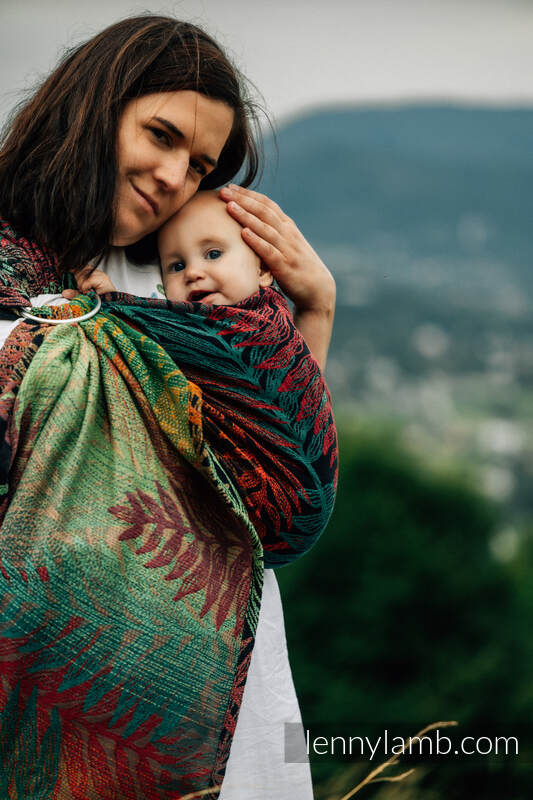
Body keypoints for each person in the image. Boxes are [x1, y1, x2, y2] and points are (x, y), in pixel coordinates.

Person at [0, 15, 336, 799]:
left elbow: (274, 493)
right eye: (160, 135)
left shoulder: (167, 282)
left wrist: (314, 311)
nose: (174, 177)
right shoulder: (58, 303)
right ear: (91, 104)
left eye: (200, 166)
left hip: (230, 706)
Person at [67, 190, 275, 305]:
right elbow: (142, 334)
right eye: (177, 266)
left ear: (263, 270)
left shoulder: (278, 329)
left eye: (213, 254)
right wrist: (110, 300)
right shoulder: (176, 322)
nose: (192, 273)